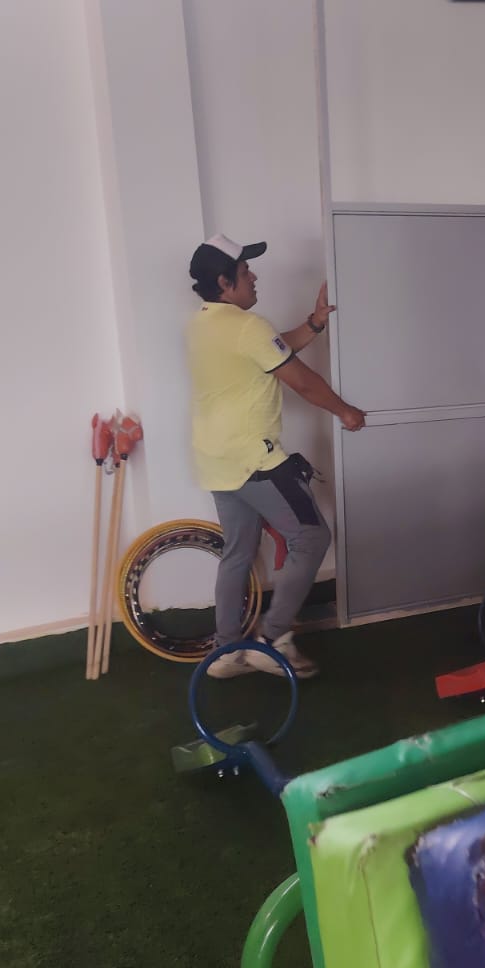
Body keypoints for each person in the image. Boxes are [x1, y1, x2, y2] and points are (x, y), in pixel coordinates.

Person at [186, 232, 366, 679]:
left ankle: (226, 652)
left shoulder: (202, 324)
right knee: (312, 538)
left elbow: (269, 350)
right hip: (256, 461)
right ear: (225, 282)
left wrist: (314, 323)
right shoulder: (248, 326)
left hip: (216, 460)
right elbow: (301, 381)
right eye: (245, 271)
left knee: (238, 553)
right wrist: (346, 411)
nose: (254, 277)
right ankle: (272, 641)